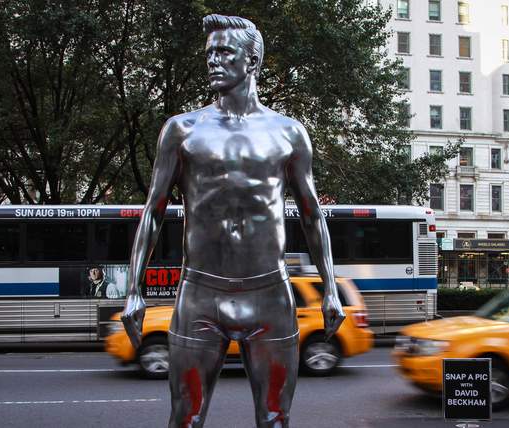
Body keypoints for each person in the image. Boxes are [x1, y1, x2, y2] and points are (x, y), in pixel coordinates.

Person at [121, 14, 346, 428]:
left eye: (224, 52)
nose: (213, 60)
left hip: (269, 296)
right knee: (185, 419)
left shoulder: (289, 133)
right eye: (210, 53)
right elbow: (153, 211)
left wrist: (330, 287)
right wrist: (133, 289)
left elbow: (312, 215)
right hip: (200, 295)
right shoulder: (181, 130)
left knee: (275, 420)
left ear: (252, 60)